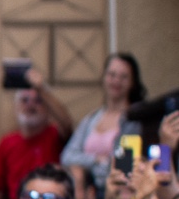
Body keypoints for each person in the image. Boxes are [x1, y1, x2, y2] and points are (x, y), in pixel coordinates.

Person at [60, 54, 146, 183]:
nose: (116, 81)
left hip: (116, 191)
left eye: (124, 77)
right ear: (104, 78)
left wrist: (83, 166)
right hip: (85, 192)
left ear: (133, 82)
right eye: (112, 75)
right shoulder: (91, 118)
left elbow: (124, 166)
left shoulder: (133, 120)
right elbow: (67, 156)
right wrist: (96, 159)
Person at [0, 85, 69, 199]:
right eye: (25, 100)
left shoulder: (55, 135)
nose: (30, 105)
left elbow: (66, 123)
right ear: (16, 106)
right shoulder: (7, 142)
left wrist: (42, 88)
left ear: (48, 108)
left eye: (38, 100)